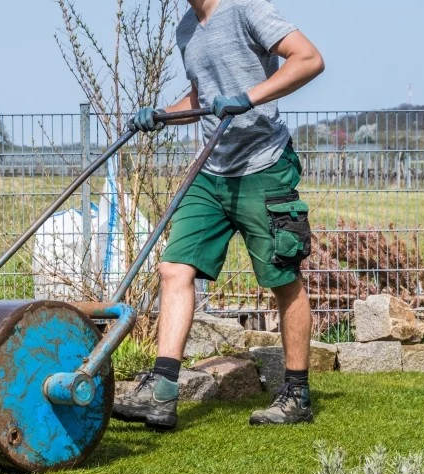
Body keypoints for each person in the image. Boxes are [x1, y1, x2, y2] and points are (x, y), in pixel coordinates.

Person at [112, 0, 325, 429]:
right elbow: (203, 94)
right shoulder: (186, 29)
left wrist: (248, 98)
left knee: (283, 280)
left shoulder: (246, 8)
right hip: (211, 172)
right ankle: (162, 393)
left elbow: (309, 59)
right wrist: (162, 115)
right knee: (174, 268)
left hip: (264, 167)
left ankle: (296, 393)